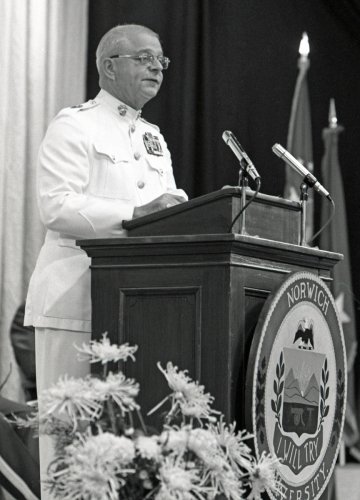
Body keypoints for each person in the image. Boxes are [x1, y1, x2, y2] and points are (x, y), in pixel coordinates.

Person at [24, 24, 187, 497]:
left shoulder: (154, 137)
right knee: (70, 445)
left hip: (141, 309)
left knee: (126, 446)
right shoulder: (75, 124)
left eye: (161, 60)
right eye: (143, 57)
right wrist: (134, 214)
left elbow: (168, 215)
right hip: (75, 303)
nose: (157, 66)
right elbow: (54, 206)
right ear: (108, 65)